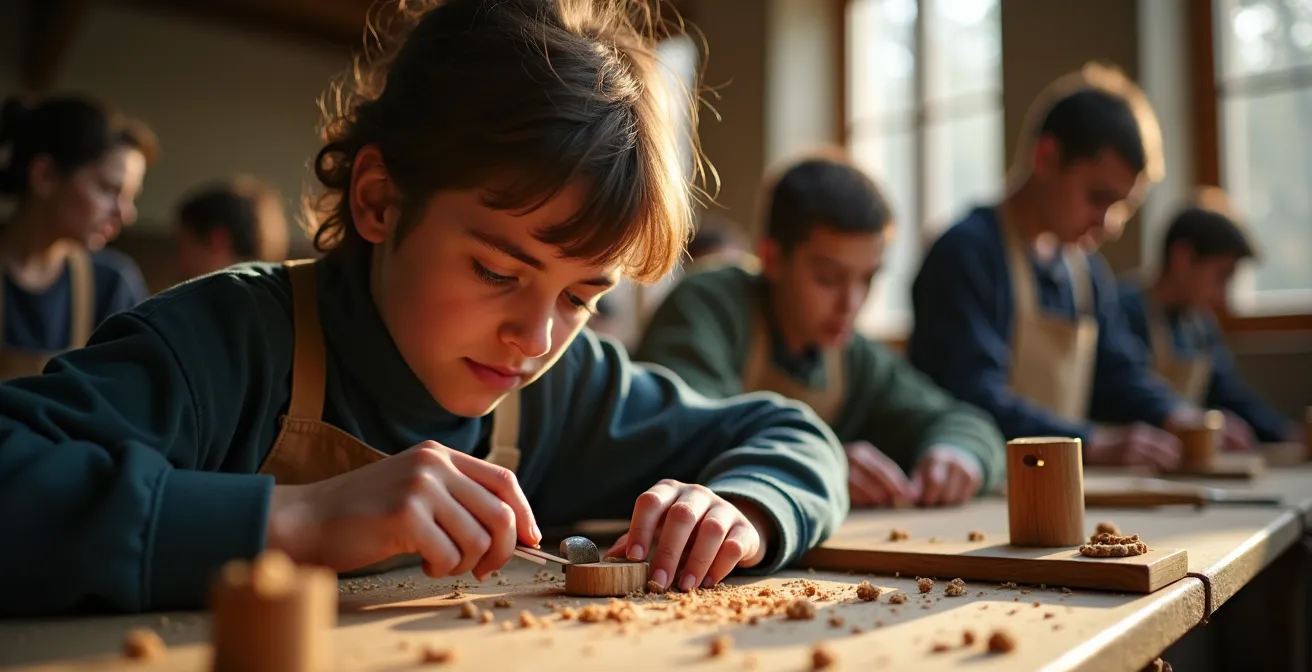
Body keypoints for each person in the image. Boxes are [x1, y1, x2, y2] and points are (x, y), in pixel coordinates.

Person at [0, 0, 848, 617]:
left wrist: (744, 508)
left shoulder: (562, 386)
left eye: (584, 295)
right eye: (495, 269)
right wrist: (294, 520)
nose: (537, 336)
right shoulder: (224, 344)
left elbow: (791, 435)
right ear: (379, 202)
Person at [636, 152, 1005, 509]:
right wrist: (821, 463)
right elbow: (685, 432)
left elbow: (963, 421)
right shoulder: (708, 304)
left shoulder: (853, 356)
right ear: (772, 257)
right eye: (829, 278)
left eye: (868, 278)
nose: (852, 303)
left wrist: (957, 453)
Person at [908, 63, 1204, 472]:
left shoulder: (1086, 274)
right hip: (973, 489)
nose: (1110, 224)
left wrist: (1176, 414)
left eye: (1122, 207)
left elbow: (1115, 373)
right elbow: (971, 395)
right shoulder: (965, 253)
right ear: (1046, 157)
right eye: (1098, 197)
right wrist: (1093, 442)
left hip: (1059, 486)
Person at [1119, 188, 1303, 446]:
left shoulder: (1201, 327)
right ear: (1182, 258)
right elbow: (1126, 389)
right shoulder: (1124, 310)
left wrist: (1288, 435)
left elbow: (1230, 394)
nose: (1222, 296)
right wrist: (1191, 418)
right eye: (1221, 277)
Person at [0, 95, 156, 381]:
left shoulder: (112, 284)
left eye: (131, 197)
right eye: (109, 189)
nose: (126, 213)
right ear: (44, 175)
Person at [174, 176, 291, 282]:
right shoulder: (277, 299)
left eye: (183, 246)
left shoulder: (191, 303)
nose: (179, 262)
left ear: (217, 240)